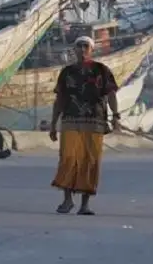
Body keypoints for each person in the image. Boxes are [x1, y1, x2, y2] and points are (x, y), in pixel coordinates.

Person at [49, 35, 120, 216]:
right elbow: (60, 99)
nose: (82, 50)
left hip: (94, 122)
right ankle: (67, 200)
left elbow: (111, 94)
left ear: (91, 49)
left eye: (85, 46)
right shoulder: (67, 72)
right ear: (74, 49)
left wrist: (115, 115)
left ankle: (85, 205)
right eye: (79, 46)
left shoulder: (101, 70)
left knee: (90, 161)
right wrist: (52, 124)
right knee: (68, 158)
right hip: (70, 120)